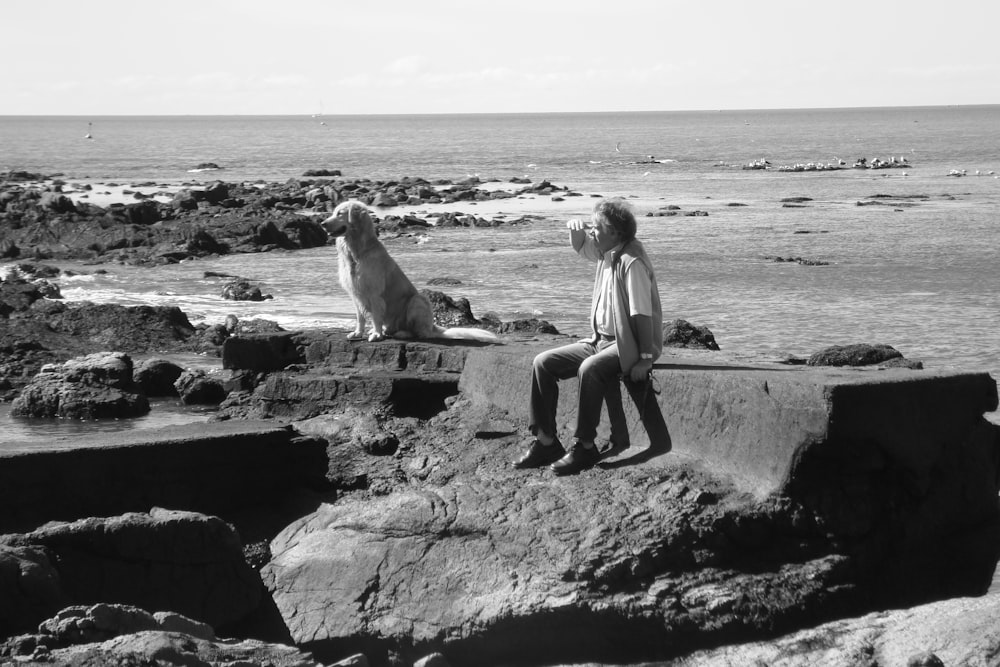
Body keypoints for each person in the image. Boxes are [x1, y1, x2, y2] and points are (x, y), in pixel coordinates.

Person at [513, 197, 663, 475]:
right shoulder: (609, 251)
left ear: (615, 232)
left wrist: (644, 359)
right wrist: (575, 232)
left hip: (626, 345)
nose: (592, 231)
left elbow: (643, 315)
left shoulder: (632, 262)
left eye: (597, 227)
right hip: (600, 340)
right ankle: (546, 441)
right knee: (543, 362)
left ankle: (585, 445)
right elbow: (584, 247)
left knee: (590, 369)